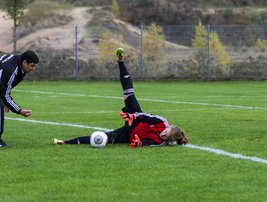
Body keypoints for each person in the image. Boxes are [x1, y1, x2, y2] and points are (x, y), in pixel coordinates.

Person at [54, 48, 188, 148]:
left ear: (169, 141)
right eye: (165, 131)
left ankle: (66, 142)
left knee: (104, 138)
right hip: (137, 120)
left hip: (128, 134)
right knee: (128, 93)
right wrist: (133, 117)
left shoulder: (161, 143)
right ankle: (121, 61)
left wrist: (139, 143)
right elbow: (145, 117)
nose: (163, 134)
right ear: (168, 126)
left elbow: (147, 143)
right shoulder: (162, 122)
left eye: (166, 136)